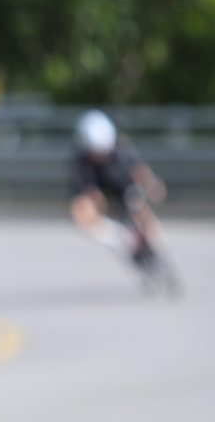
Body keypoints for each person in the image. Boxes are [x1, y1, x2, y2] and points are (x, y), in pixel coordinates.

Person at [68, 109, 180, 293]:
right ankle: (124, 242)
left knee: (140, 207)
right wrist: (97, 208)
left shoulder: (121, 149)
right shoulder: (82, 162)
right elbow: (87, 191)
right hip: (105, 199)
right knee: (84, 214)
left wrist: (151, 187)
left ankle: (162, 251)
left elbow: (139, 171)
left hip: (125, 190)